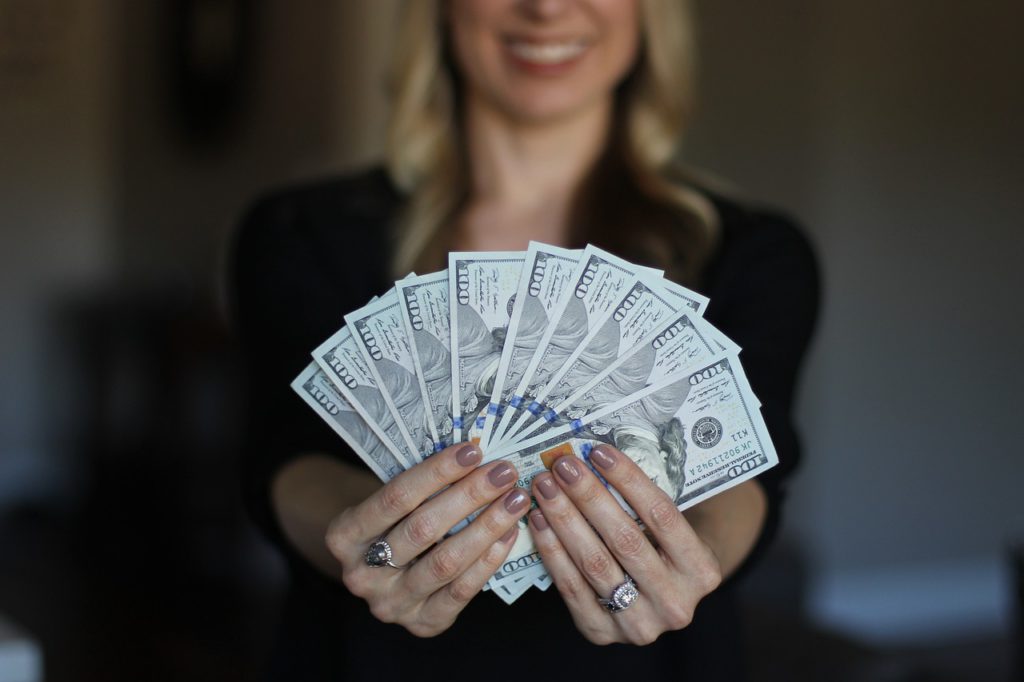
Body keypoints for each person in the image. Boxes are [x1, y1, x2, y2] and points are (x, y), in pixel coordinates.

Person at [231, 0, 819, 679]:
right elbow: (284, 457)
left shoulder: (753, 254)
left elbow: (748, 475)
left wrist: (695, 556)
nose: (545, 7)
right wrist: (371, 534)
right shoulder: (300, 233)